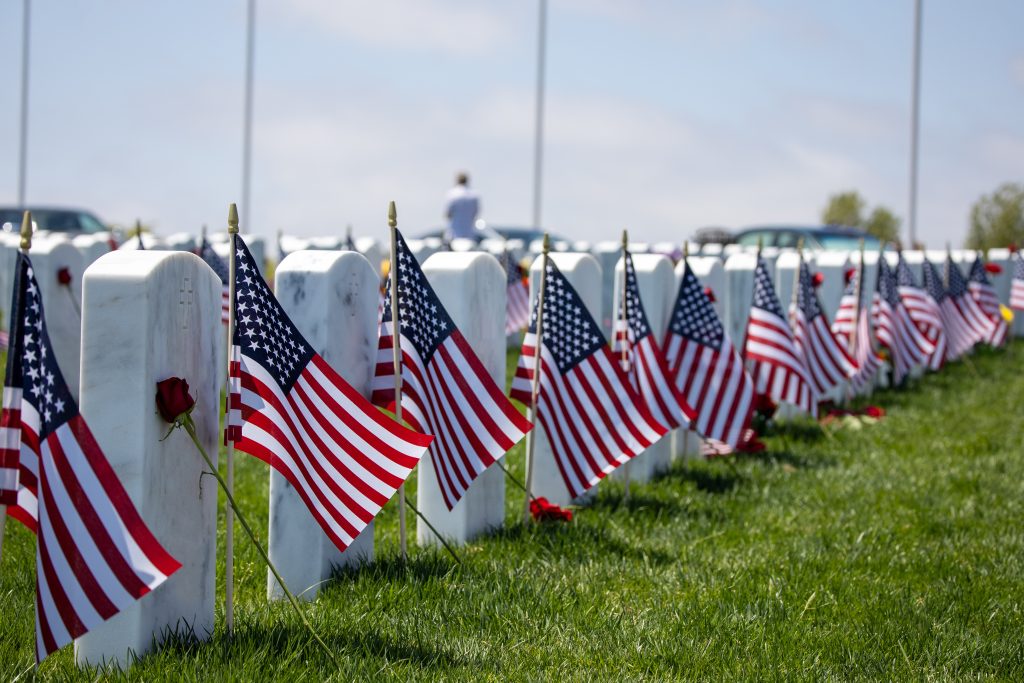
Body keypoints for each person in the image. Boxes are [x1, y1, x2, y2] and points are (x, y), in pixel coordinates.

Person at [444, 172, 481, 242]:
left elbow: (448, 214)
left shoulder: (452, 194)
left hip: (454, 234)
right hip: (470, 234)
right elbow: (476, 213)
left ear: (457, 180)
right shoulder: (474, 195)